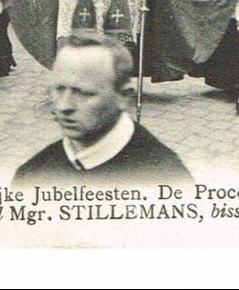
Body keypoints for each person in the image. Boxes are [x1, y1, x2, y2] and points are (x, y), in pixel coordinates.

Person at [12, 31, 193, 187]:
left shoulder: (166, 180)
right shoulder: (30, 176)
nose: (63, 106)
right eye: (59, 89)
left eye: (83, 93)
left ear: (124, 97)